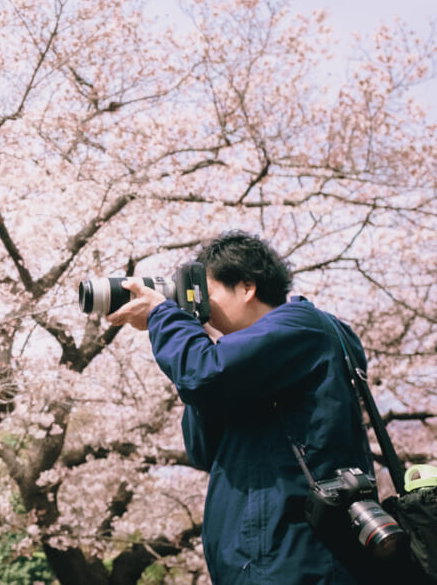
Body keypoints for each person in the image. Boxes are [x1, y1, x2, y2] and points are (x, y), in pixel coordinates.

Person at [107, 230, 380, 584]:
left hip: (296, 561)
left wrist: (163, 314)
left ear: (246, 287)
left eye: (207, 294)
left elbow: (202, 374)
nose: (200, 306)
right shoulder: (261, 362)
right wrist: (200, 347)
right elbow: (203, 451)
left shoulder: (302, 326)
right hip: (266, 560)